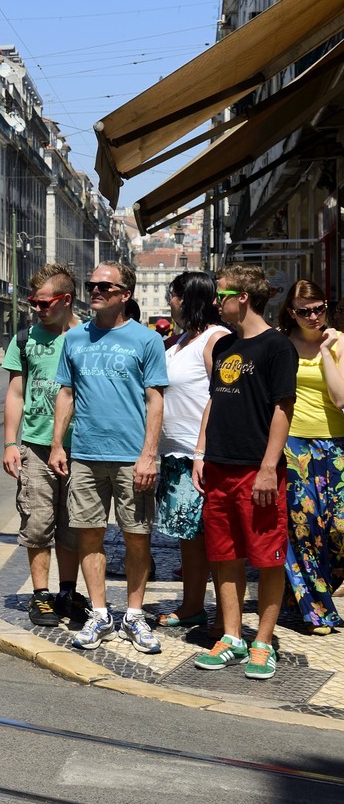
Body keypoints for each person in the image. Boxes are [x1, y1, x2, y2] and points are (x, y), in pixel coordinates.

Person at [50, 262, 169, 654]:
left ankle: (133, 615)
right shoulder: (74, 340)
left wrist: (149, 455)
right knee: (89, 533)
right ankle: (100, 613)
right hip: (85, 453)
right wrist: (57, 444)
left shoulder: (146, 340)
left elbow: (155, 400)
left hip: (132, 456)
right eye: (92, 284)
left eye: (105, 285)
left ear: (124, 293)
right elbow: (65, 394)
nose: (95, 290)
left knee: (137, 535)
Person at [193, 265, 297, 679]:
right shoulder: (224, 347)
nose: (216, 302)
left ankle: (263, 642)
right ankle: (232, 636)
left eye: (222, 294)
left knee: (268, 559)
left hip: (258, 471)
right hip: (218, 467)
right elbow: (215, 401)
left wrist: (269, 467)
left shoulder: (277, 347)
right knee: (224, 556)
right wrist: (200, 452)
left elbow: (282, 409)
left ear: (244, 298)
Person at [2, 263, 87, 628]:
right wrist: (10, 443)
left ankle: (67, 592)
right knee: (37, 523)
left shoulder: (88, 337)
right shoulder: (25, 339)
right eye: (32, 303)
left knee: (73, 526)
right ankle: (41, 596)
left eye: (42, 303)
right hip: (35, 447)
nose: (36, 309)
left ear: (65, 300)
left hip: (81, 448)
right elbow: (15, 392)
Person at [153, 271, 230, 629]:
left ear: (188, 298)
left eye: (173, 295)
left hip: (201, 457)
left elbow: (223, 396)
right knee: (189, 537)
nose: (170, 301)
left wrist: (202, 450)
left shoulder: (217, 338)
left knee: (214, 538)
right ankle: (193, 605)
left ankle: (223, 619)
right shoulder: (183, 338)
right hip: (175, 455)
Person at [277, 279, 344, 635]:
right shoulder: (282, 344)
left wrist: (329, 351)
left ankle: (310, 592)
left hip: (335, 445)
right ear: (292, 312)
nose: (314, 316)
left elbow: (340, 398)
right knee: (304, 528)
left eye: (319, 308)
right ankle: (316, 609)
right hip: (293, 445)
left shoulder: (339, 342)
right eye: (305, 311)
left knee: (338, 528)